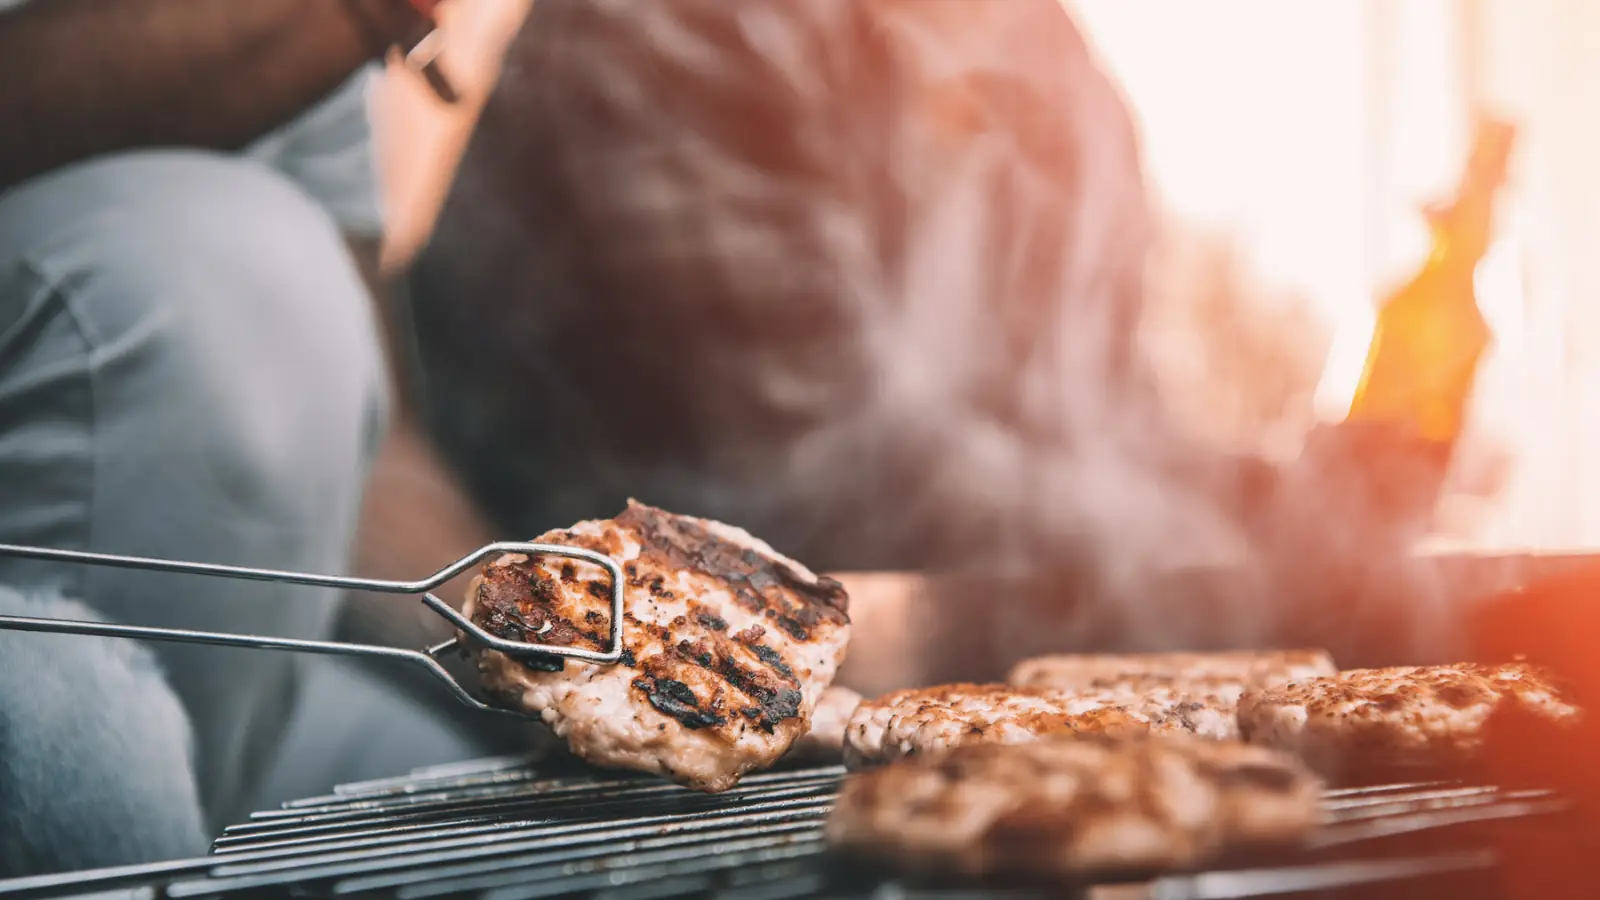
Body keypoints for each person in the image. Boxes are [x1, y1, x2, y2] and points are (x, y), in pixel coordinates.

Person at [0, 0, 492, 876]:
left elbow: (351, 437)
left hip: (227, 696)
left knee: (489, 817)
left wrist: (543, 632)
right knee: (232, 262)